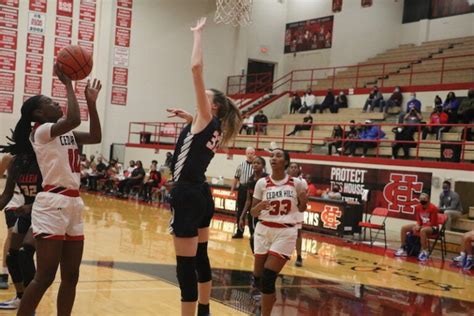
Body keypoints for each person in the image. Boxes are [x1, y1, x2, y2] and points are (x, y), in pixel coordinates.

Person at [9, 65, 102, 316]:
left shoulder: (66, 133)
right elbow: (73, 118)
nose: (57, 103)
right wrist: (69, 84)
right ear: (39, 112)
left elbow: (95, 136)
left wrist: (91, 104)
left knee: (71, 276)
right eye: (51, 102)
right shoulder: (40, 132)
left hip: (74, 204)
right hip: (52, 203)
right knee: (45, 276)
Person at [166, 17, 242, 316]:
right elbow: (198, 134)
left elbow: (196, 68)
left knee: (185, 267)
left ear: (213, 107)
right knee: (201, 256)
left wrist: (197, 34)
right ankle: (205, 310)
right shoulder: (216, 127)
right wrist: (188, 117)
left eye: (204, 99)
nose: (200, 99)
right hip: (202, 194)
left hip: (186, 194)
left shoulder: (206, 117)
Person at [250, 149, 307, 316]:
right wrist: (258, 207)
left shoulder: (297, 183)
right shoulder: (262, 183)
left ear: (286, 162)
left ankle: (265, 313)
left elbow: (302, 208)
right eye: (272, 156)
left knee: (268, 277)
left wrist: (303, 201)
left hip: (285, 232)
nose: (274, 158)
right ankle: (269, 299)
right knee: (258, 277)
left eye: (278, 156)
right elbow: (253, 212)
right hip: (263, 230)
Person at [0, 129, 44, 309]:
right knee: (12, 256)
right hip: (24, 211)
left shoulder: (43, 162)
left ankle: (30, 304)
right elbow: (7, 193)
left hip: (44, 211)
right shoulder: (16, 163)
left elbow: (51, 192)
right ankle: (20, 297)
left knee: (26, 253)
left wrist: (31, 207)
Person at [395, 193, 439, 261]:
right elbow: (418, 219)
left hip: (433, 227)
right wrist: (418, 225)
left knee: (423, 231)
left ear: (428, 199)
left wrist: (421, 227)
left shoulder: (433, 208)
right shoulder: (418, 207)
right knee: (404, 228)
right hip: (422, 225)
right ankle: (403, 247)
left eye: (424, 199)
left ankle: (424, 251)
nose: (422, 200)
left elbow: (433, 223)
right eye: (421, 199)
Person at [238, 156, 268, 254]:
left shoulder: (267, 179)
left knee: (263, 240)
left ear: (263, 166)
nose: (255, 165)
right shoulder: (250, 180)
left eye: (258, 163)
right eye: (254, 163)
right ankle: (257, 260)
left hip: (265, 214)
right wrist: (242, 217)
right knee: (253, 238)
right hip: (253, 214)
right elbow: (248, 200)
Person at [230, 147, 255, 239]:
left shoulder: (257, 165)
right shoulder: (241, 165)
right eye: (248, 153)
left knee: (252, 212)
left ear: (254, 154)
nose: (250, 155)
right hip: (242, 189)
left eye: (251, 153)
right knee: (240, 211)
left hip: (253, 190)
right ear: (246, 154)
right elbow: (236, 178)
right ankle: (239, 232)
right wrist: (232, 190)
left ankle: (253, 233)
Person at [287, 163, 307, 268]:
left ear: (298, 169)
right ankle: (284, 253)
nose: (294, 169)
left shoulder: (302, 181)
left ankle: (299, 256)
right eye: (292, 167)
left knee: (298, 233)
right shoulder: (284, 180)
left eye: (295, 167)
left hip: (298, 210)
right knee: (285, 231)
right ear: (288, 169)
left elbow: (304, 196)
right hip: (287, 210)